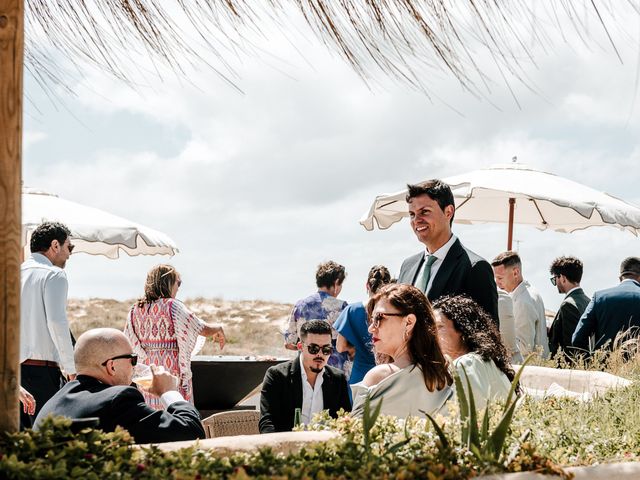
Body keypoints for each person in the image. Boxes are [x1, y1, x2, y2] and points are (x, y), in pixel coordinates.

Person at [34, 328, 205, 443]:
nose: (135, 365)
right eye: (133, 359)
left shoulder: (54, 402)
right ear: (112, 366)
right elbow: (191, 431)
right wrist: (169, 392)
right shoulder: (117, 400)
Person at [124, 264, 226, 410]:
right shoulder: (173, 306)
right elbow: (200, 328)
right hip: (171, 371)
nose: (179, 287)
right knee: (178, 413)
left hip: (148, 374)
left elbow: (128, 340)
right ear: (168, 282)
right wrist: (219, 328)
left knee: (153, 415)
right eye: (178, 282)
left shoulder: (135, 309)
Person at [397, 181, 498, 323]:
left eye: (424, 212)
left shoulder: (475, 268)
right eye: (412, 214)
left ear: (448, 212)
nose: (416, 220)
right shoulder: (407, 266)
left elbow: (487, 339)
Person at [351, 284, 453, 418]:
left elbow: (353, 433)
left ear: (409, 322)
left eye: (379, 318)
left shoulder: (380, 376)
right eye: (372, 319)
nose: (371, 328)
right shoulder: (447, 373)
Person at [20, 221, 76, 428]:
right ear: (55, 245)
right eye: (69, 247)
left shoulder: (11, 275)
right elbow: (56, 321)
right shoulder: (54, 274)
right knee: (48, 441)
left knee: (16, 444)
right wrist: (71, 369)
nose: (69, 254)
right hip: (42, 373)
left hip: (12, 376)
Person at [259, 320, 351, 433]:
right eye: (313, 348)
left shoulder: (337, 379)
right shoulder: (277, 376)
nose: (320, 354)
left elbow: (344, 422)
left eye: (326, 349)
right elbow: (267, 423)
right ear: (300, 347)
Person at [433, 295, 514, 410]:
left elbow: (451, 418)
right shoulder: (484, 361)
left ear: (462, 329)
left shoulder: (466, 364)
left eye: (439, 327)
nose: (432, 334)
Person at [284, 261, 348, 370]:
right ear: (336, 283)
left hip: (307, 370)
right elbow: (348, 344)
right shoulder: (342, 307)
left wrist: (310, 348)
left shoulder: (300, 305)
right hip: (334, 371)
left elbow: (289, 343)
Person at [334, 265, 392, 387]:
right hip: (387, 374)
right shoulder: (394, 313)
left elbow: (340, 347)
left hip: (360, 375)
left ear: (367, 285)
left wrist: (354, 348)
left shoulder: (352, 310)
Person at [572, 257, 640, 354]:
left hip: (605, 367)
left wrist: (593, 362)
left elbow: (577, 339)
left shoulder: (599, 297)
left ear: (620, 278)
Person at [492, 251, 549, 358]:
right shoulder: (531, 292)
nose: (497, 282)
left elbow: (525, 347)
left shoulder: (522, 302)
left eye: (500, 278)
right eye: (496, 278)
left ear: (515, 273)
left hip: (530, 369)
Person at [548, 256, 590, 359]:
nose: (555, 283)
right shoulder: (588, 301)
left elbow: (570, 347)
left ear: (562, 278)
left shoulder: (568, 305)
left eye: (555, 279)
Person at [497, 289, 523, 364]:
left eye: (500, 278)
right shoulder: (505, 297)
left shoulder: (502, 298)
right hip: (516, 358)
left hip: (509, 359)